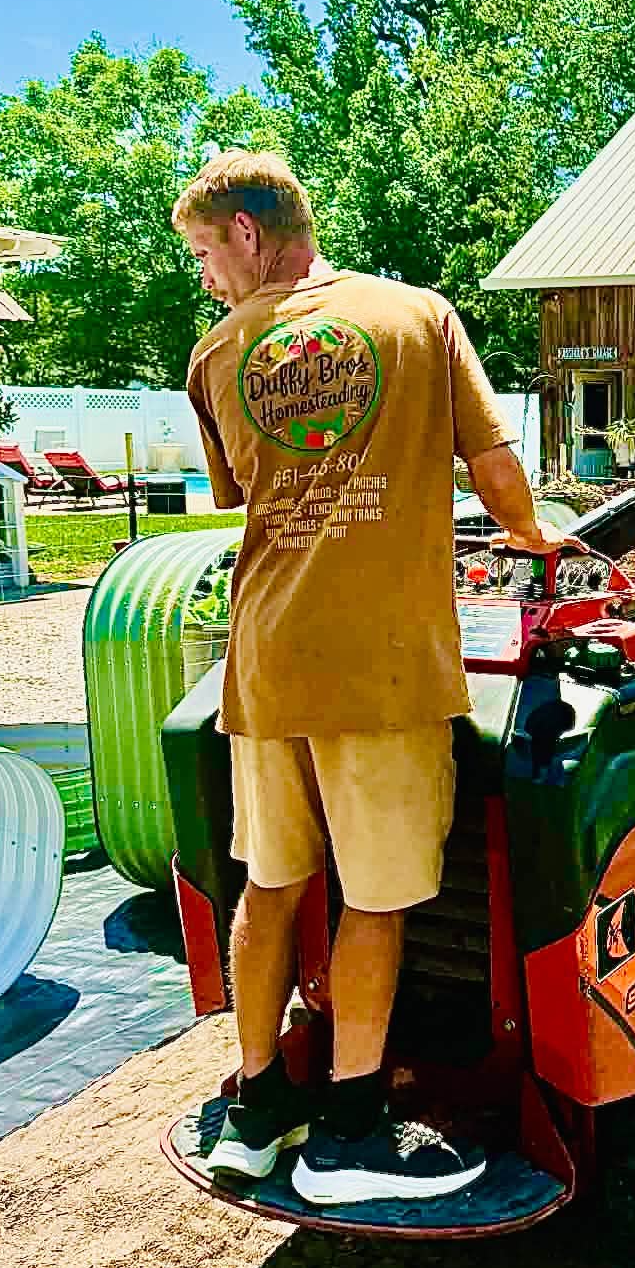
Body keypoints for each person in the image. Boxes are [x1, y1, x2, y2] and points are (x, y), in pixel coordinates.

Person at [176, 150, 570, 1207]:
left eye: (208, 252)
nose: (207, 277)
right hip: (382, 665)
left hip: (260, 665)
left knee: (270, 885)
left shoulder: (213, 355)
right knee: (379, 897)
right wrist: (539, 543)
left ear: (253, 234)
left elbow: (239, 496)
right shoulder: (419, 314)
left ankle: (257, 1109)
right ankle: (349, 1132)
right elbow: (492, 465)